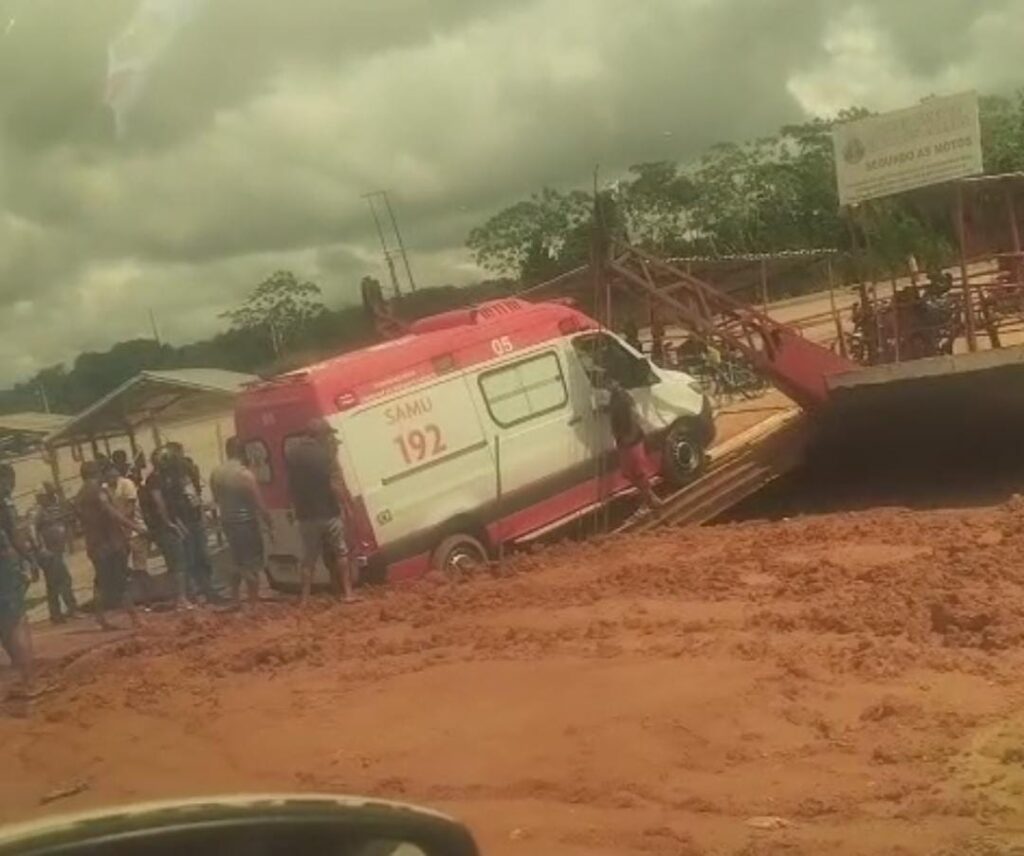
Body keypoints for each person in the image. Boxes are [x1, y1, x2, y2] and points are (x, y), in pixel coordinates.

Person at [284, 418, 358, 606]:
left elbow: (290, 486)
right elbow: (334, 484)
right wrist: (347, 506)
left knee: (308, 559)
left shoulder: (292, 455)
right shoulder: (325, 455)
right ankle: (348, 593)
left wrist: (292, 507)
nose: (328, 438)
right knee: (341, 552)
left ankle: (305, 599)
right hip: (328, 512)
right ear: (320, 435)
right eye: (326, 434)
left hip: (306, 516)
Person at [75, 460, 144, 630]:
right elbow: (110, 512)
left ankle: (100, 618)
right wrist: (134, 526)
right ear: (96, 473)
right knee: (121, 580)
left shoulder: (79, 495)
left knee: (100, 582)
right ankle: (135, 617)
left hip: (95, 544)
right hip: (109, 543)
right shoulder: (97, 491)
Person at [209, 436, 272, 607]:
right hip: (246, 522)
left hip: (228, 522)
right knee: (252, 564)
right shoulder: (244, 474)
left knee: (237, 561)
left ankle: (235, 598)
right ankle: (253, 601)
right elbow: (258, 503)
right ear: (243, 452)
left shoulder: (217, 473)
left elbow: (216, 498)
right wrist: (269, 522)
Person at [160, 444, 219, 604]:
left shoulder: (186, 472)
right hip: (183, 521)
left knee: (202, 556)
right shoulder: (166, 478)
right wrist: (177, 522)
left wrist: (201, 514)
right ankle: (195, 592)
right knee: (190, 559)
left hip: (193, 519)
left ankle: (208, 590)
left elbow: (194, 496)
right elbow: (169, 504)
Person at [603, 377, 662, 513]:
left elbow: (632, 415)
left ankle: (650, 499)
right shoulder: (616, 397)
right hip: (624, 438)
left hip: (630, 438)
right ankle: (649, 497)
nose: (607, 385)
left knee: (637, 471)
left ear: (615, 382)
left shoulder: (623, 397)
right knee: (629, 472)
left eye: (609, 382)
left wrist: (629, 435)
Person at [0, 464, 34, 696]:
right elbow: (15, 534)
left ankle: (22, 679)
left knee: (5, 624)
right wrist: (29, 559)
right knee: (17, 622)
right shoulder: (4, 503)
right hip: (4, 565)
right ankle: (29, 684)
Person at [138, 449, 187, 610]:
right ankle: (180, 599)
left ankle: (179, 597)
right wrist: (169, 523)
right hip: (163, 527)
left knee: (176, 562)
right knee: (176, 562)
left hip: (169, 523)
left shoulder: (164, 478)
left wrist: (177, 522)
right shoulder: (155, 480)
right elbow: (159, 504)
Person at [32, 485, 77, 624]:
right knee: (63, 580)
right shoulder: (38, 511)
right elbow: (32, 529)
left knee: (54, 583)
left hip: (56, 551)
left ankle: (56, 614)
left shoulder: (52, 509)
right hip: (48, 552)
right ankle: (70, 609)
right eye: (49, 495)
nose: (52, 497)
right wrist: (41, 548)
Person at [105, 462, 149, 580]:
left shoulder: (126, 484)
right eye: (108, 476)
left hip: (134, 526)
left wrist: (118, 519)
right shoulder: (105, 488)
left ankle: (144, 586)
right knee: (122, 563)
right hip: (119, 530)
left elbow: (130, 508)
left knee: (140, 562)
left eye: (113, 475)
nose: (111, 478)